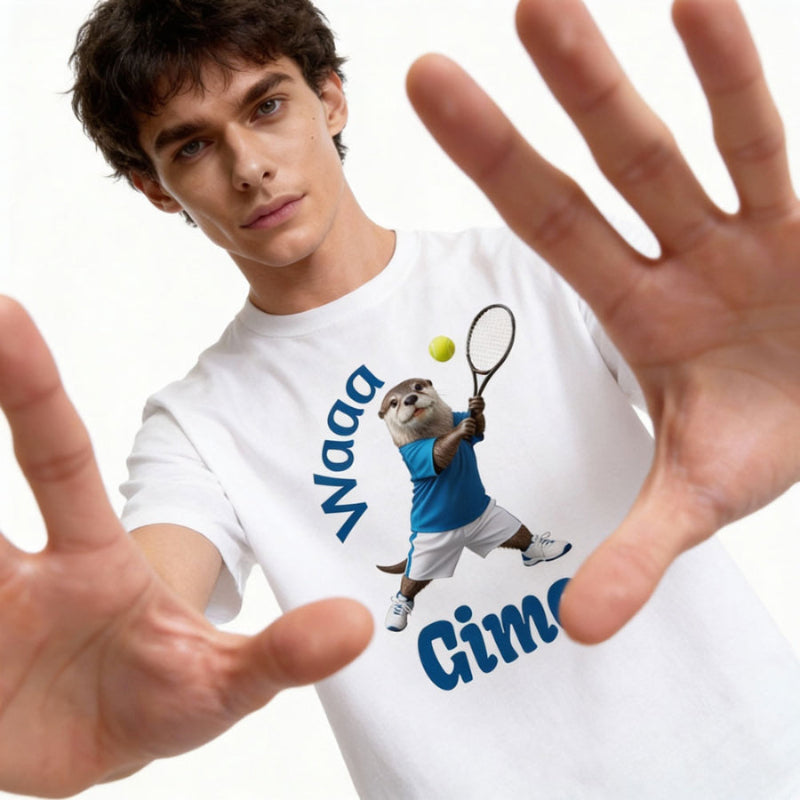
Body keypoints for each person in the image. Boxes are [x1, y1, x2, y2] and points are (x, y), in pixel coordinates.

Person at [1, 0, 799, 797]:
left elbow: (731, 392)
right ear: (156, 188)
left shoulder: (546, 267)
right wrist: (97, 673)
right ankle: (411, 598)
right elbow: (142, 611)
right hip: (437, 521)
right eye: (193, 145)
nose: (248, 166)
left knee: (506, 528)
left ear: (332, 97)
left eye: (266, 105)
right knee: (428, 563)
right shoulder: (198, 430)